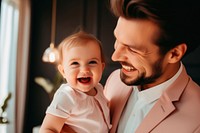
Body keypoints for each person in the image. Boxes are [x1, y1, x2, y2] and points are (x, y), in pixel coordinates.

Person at [103, 0, 200, 133]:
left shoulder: (197, 120)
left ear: (174, 54)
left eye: (132, 49)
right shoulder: (114, 81)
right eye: (117, 40)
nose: (115, 56)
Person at [39, 31, 112, 133]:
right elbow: (48, 129)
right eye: (75, 63)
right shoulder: (67, 95)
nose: (84, 70)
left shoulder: (99, 89)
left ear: (102, 67)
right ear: (63, 71)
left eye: (92, 62)